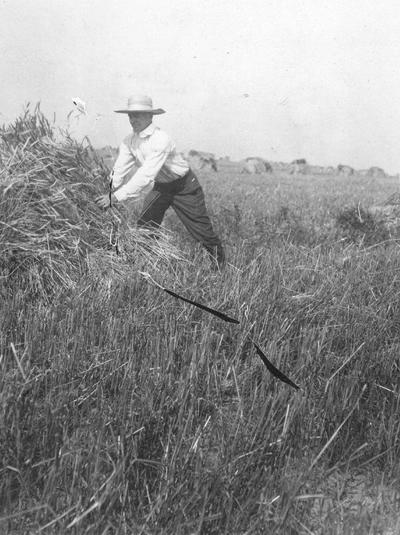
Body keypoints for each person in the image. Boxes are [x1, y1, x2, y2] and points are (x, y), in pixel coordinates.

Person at [96, 94, 225, 269]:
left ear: (150, 116)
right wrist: (108, 189)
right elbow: (119, 170)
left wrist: (116, 197)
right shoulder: (129, 141)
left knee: (201, 232)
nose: (134, 119)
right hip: (162, 187)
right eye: (131, 116)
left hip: (184, 186)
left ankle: (220, 266)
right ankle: (147, 265)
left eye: (139, 115)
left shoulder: (161, 139)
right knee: (145, 226)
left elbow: (146, 175)